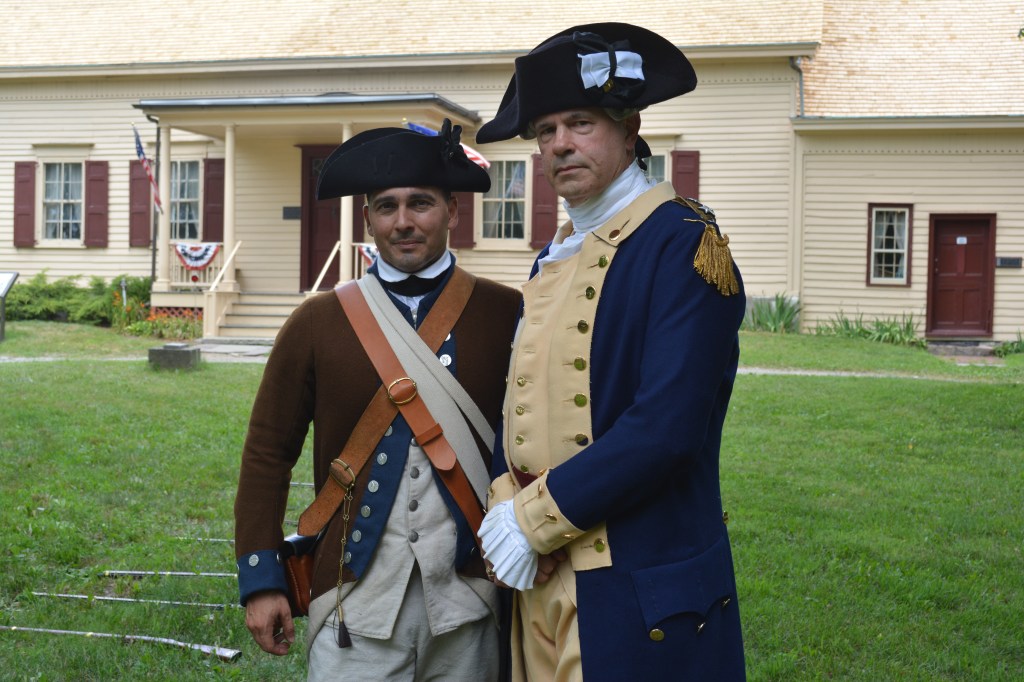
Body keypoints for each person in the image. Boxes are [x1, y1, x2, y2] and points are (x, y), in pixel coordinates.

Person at [474, 23, 747, 681]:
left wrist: (531, 522)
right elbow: (523, 404)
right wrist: (504, 502)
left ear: (630, 129)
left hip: (635, 583)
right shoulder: (554, 255)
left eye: (580, 122)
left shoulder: (682, 244)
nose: (560, 144)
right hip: (542, 578)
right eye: (545, 131)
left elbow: (666, 430)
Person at [234, 120, 522, 681]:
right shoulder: (316, 321)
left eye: (421, 203)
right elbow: (267, 455)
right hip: (352, 605)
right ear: (367, 218)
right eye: (386, 206)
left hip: (473, 600)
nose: (404, 221)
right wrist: (262, 580)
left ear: (453, 212)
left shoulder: (507, 313)